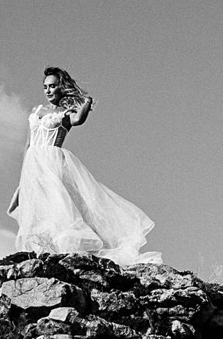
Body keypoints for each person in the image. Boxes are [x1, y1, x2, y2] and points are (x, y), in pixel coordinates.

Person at [9, 66, 158, 262]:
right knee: (38, 208)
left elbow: (79, 119)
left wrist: (86, 103)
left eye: (52, 86)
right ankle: (42, 251)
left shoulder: (66, 113)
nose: (48, 90)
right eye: (45, 87)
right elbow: (28, 144)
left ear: (61, 88)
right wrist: (22, 178)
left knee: (58, 205)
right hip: (33, 165)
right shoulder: (36, 110)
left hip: (53, 162)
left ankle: (62, 252)